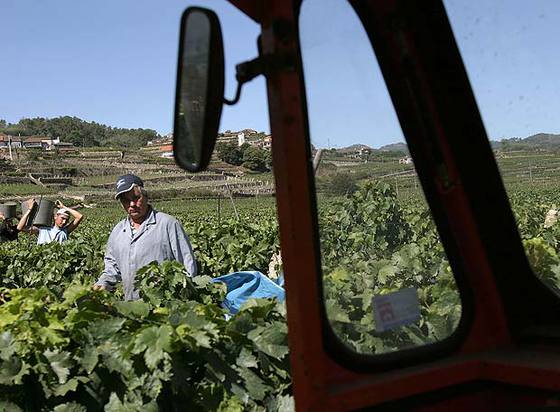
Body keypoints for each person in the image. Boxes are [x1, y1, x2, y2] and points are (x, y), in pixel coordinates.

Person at [93, 174, 197, 300]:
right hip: (131, 307)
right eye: (125, 200)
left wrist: (185, 298)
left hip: (165, 307)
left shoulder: (167, 224)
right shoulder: (118, 231)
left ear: (146, 196)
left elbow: (187, 265)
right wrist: (102, 283)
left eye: (136, 197)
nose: (131, 204)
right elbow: (112, 268)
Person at [19, 199, 84, 244]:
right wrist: (29, 209)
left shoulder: (65, 231)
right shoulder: (42, 230)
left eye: (66, 220)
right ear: (55, 216)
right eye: (62, 218)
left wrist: (64, 207)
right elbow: (20, 227)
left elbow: (79, 216)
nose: (64, 222)